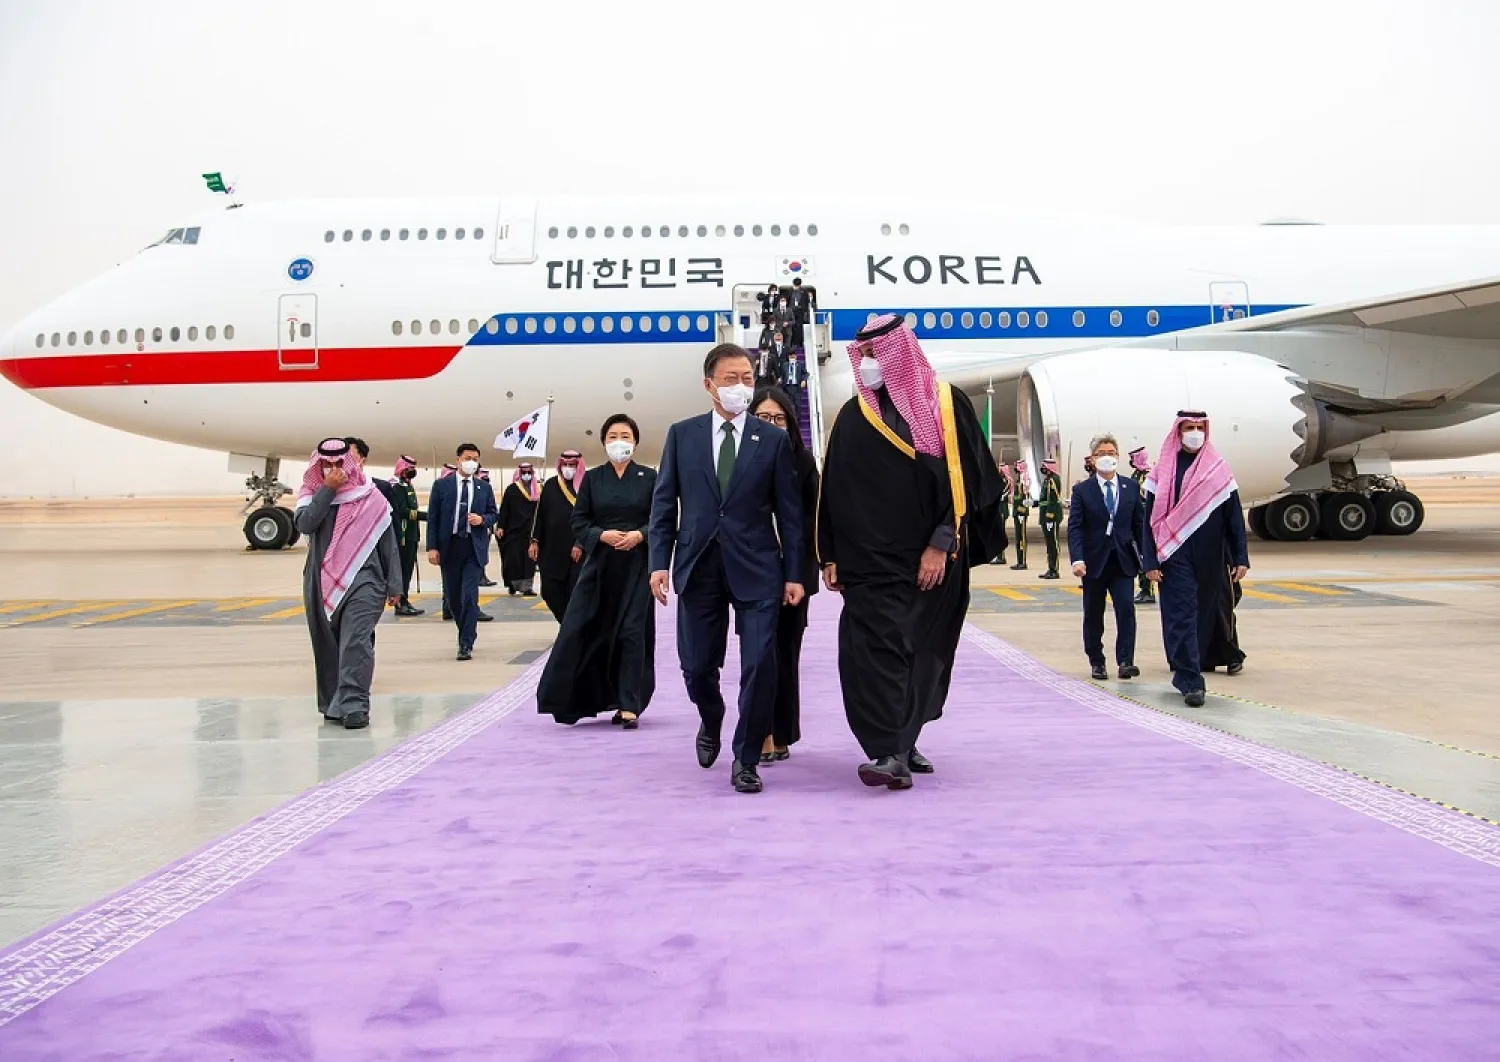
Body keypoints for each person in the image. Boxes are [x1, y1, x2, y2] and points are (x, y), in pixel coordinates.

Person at [817, 315, 1005, 789]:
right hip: (868, 567)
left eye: (879, 355)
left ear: (899, 353)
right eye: (866, 356)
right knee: (873, 655)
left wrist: (940, 545)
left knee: (921, 653)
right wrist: (829, 555)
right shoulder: (852, 415)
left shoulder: (945, 406)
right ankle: (890, 751)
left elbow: (971, 484)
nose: (871, 365)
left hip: (930, 563)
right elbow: (832, 490)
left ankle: (903, 740)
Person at [649, 342, 806, 795]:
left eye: (747, 379)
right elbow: (664, 505)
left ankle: (745, 758)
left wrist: (794, 573)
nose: (740, 387)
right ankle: (711, 715)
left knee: (759, 665)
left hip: (758, 568)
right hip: (698, 566)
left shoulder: (771, 439)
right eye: (731, 378)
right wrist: (658, 562)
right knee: (697, 666)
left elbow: (789, 514)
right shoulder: (683, 435)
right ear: (709, 385)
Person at [538, 418, 657, 727]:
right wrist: (600, 536)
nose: (620, 441)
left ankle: (629, 704)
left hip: (638, 564)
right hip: (601, 565)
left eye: (626, 436)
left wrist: (640, 535)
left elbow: (660, 518)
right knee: (588, 629)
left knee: (632, 631)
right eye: (614, 436)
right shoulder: (592, 479)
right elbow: (579, 520)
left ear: (636, 442)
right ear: (604, 442)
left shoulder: (649, 477)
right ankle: (579, 698)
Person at [1141, 411, 1250, 707]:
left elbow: (1234, 518)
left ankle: (1191, 664)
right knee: (1182, 615)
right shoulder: (1163, 470)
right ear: (1178, 431)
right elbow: (1148, 520)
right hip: (1174, 555)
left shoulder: (1218, 470)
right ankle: (1191, 680)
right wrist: (1150, 561)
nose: (1194, 432)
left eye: (1199, 428)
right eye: (1189, 427)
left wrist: (1241, 556)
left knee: (1203, 614)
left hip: (1211, 556)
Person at [293, 438, 402, 729]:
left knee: (356, 643)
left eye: (338, 464)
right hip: (321, 581)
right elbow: (305, 524)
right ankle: (333, 704)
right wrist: (328, 488)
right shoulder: (311, 495)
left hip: (366, 581)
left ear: (349, 463)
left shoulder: (372, 496)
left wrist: (395, 586)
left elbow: (388, 544)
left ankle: (355, 706)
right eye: (325, 465)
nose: (332, 469)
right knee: (327, 645)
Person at [750, 387, 819, 765]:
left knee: (786, 654)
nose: (772, 425)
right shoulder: (742, 460)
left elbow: (813, 521)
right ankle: (760, 731)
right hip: (754, 573)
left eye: (779, 419)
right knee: (758, 656)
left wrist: (802, 571)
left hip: (793, 574)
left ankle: (782, 732)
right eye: (763, 418)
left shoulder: (803, 463)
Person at [1067, 434, 1145, 681]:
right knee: (1093, 613)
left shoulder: (1130, 487)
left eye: (1111, 452)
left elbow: (1140, 526)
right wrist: (1077, 559)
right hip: (1093, 563)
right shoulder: (1082, 490)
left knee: (1125, 609)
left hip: (1122, 561)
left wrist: (1148, 559)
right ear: (1092, 458)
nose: (1107, 457)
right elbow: (1076, 528)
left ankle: (1125, 660)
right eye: (1101, 453)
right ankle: (1096, 660)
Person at [426, 443, 499, 661]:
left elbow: (494, 514)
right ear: (458, 459)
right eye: (468, 458)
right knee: (453, 598)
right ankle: (466, 630)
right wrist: (432, 547)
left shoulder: (483, 487)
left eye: (475, 459)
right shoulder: (441, 486)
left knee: (469, 595)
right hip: (450, 547)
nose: (472, 462)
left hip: (473, 548)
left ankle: (465, 642)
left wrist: (482, 520)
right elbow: (433, 519)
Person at [530, 450, 586, 622]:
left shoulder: (586, 486)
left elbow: (592, 517)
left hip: (577, 552)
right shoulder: (551, 485)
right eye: (566, 465)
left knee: (575, 594)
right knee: (549, 592)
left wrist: (580, 543)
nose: (569, 469)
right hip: (551, 550)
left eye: (572, 465)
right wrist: (534, 541)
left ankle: (572, 631)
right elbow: (540, 515)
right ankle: (567, 625)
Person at [496, 464, 540, 595]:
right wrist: (500, 526)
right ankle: (512, 584)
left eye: (529, 472)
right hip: (513, 531)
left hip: (530, 531)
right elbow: (504, 510)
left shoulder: (537, 490)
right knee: (513, 560)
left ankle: (527, 587)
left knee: (529, 560)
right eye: (524, 472)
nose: (527, 475)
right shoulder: (511, 489)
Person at [390, 455, 425, 616]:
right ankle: (400, 603)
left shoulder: (408, 486)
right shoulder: (398, 487)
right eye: (409, 469)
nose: (412, 472)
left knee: (408, 570)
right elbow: (403, 511)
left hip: (412, 535)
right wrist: (426, 516)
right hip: (403, 536)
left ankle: (405, 600)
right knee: (402, 570)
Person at [1128, 447, 1156, 604]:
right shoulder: (1137, 475)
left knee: (1145, 555)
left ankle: (1149, 590)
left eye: (1133, 458)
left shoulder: (1147, 475)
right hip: (1137, 519)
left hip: (1145, 519)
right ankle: (1143, 588)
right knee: (1139, 555)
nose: (1131, 461)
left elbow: (1146, 499)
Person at [1037, 457, 1064, 579]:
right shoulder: (1047, 479)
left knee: (1053, 542)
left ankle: (1055, 569)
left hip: (1051, 516)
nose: (1043, 468)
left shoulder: (1054, 479)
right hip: (1045, 514)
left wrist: (1049, 516)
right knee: (1049, 543)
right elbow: (1044, 499)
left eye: (1044, 466)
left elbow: (1054, 499)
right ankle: (1050, 567)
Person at [1010, 459, 1031, 571]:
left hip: (1021, 512)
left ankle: (1022, 562)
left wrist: (1022, 510)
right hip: (1016, 512)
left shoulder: (1024, 480)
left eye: (1017, 466)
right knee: (1018, 537)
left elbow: (1025, 498)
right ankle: (1019, 560)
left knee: (1022, 537)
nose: (1016, 468)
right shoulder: (1019, 479)